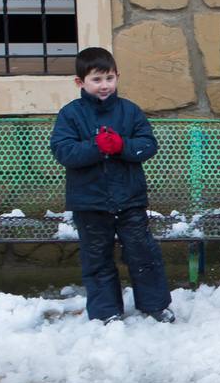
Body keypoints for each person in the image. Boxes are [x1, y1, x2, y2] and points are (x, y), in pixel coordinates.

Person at [50, 46, 175, 323]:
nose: (104, 85)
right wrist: (96, 147)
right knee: (97, 259)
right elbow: (63, 151)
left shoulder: (130, 112)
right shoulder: (71, 115)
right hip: (90, 202)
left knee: (143, 254)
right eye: (96, 80)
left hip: (129, 199)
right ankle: (107, 311)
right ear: (80, 82)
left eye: (109, 78)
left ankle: (155, 304)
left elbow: (147, 145)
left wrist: (122, 146)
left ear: (117, 76)